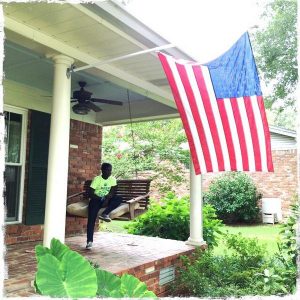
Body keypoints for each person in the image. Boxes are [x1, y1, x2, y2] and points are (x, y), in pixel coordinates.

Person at [86, 162, 122, 250]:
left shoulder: (112, 179)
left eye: (110, 170)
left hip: (107, 200)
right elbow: (90, 193)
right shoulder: (97, 179)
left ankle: (105, 214)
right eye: (107, 170)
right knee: (91, 219)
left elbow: (113, 191)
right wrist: (100, 198)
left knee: (118, 198)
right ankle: (89, 241)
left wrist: (108, 197)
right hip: (96, 199)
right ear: (102, 170)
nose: (109, 172)